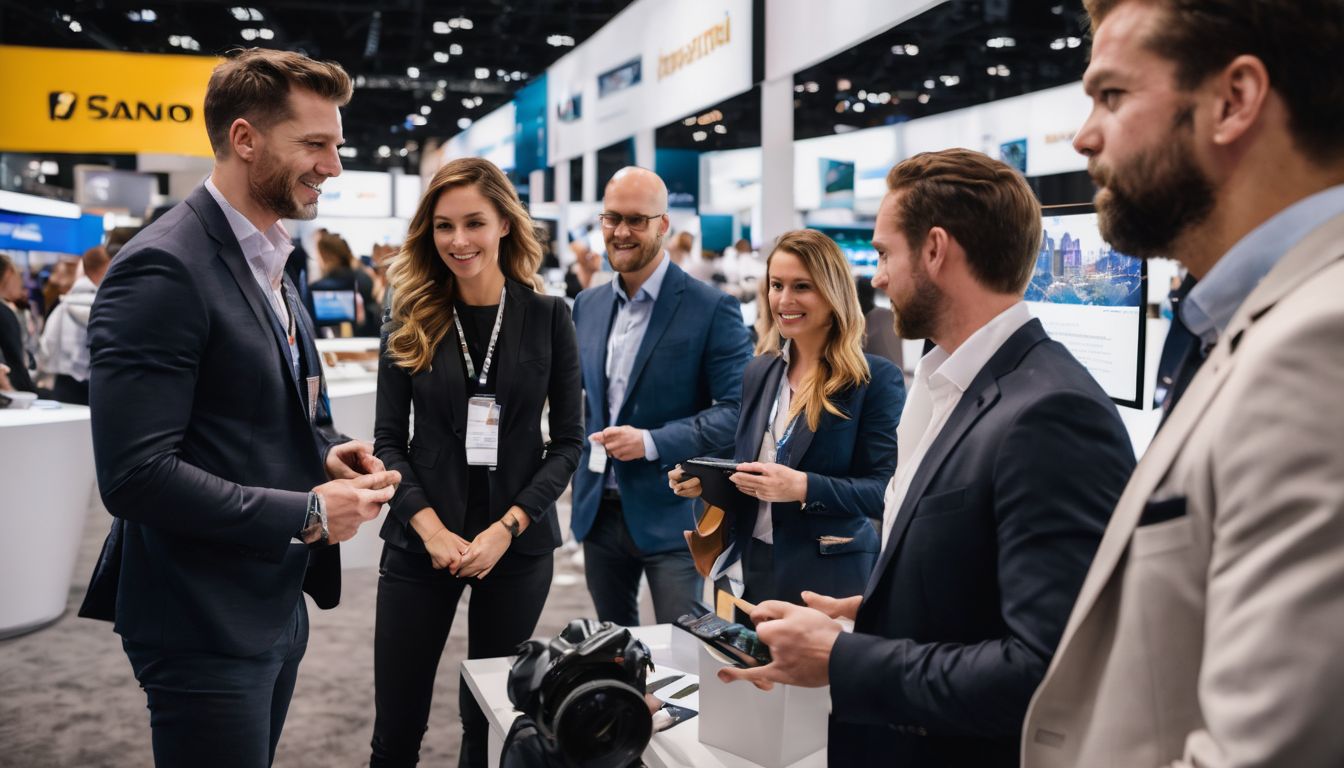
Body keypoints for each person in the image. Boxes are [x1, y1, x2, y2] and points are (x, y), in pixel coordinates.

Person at [718, 149, 1136, 768]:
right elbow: (980, 584)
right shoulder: (950, 386)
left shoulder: (1049, 412)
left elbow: (1048, 671)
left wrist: (841, 657)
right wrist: (876, 610)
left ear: (935, 250)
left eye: (885, 254)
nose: (877, 278)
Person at [1023, 3, 1344, 766]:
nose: (1084, 135)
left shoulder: (1318, 343)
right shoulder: (1248, 324)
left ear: (1232, 101)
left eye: (1111, 96)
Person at [81, 48, 399, 768]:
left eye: (336, 146)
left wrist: (326, 450)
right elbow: (135, 476)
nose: (334, 167)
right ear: (245, 139)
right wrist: (308, 514)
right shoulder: (164, 267)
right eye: (314, 145)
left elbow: (255, 407)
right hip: (199, 615)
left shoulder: (270, 256)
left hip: (269, 599)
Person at [369, 157, 583, 768]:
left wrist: (507, 527)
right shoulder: (409, 317)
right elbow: (388, 441)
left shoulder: (547, 318)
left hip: (515, 546)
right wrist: (430, 529)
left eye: (474, 223)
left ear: (505, 226)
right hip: (419, 541)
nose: (459, 241)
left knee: (489, 721)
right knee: (397, 727)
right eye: (443, 226)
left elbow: (568, 441)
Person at [667, 229, 903, 606]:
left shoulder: (872, 381)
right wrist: (707, 480)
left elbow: (883, 492)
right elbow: (756, 468)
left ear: (832, 293)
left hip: (828, 577)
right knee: (740, 666)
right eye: (776, 285)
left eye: (802, 287)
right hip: (749, 566)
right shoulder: (760, 371)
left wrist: (803, 487)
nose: (784, 299)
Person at [571, 166, 753, 626]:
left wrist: (651, 441)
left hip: (674, 514)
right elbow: (585, 399)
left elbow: (737, 414)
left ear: (663, 225)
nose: (622, 231)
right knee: (611, 654)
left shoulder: (712, 308)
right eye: (612, 218)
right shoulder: (588, 305)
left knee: (684, 656)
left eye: (637, 219)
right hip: (598, 512)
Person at [37, 244, 110, 404]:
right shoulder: (110, 306)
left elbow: (47, 345)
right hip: (100, 381)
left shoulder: (63, 305)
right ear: (107, 265)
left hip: (65, 382)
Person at [307, 230, 381, 336]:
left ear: (324, 256)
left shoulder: (318, 288)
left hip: (330, 347)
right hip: (366, 343)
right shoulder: (365, 278)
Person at [0, 253, 35, 393]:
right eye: (19, 275)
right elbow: (16, 366)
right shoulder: (4, 313)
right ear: (9, 273)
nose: (21, 283)